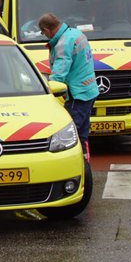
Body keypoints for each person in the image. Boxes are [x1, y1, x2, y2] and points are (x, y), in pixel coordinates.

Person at [38, 13, 96, 158]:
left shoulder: (63, 43)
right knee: (81, 135)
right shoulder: (75, 33)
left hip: (77, 94)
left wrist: (47, 90)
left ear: (46, 29)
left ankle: (75, 166)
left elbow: (59, 72)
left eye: (43, 32)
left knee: (68, 136)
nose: (44, 35)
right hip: (88, 90)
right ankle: (84, 162)